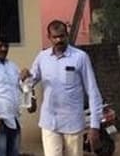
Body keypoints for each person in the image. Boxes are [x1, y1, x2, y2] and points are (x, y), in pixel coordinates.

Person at [21, 20, 103, 156]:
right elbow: (30, 82)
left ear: (67, 35)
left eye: (62, 36)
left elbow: (93, 91)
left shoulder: (80, 57)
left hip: (73, 123)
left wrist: (95, 126)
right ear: (49, 38)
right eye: (55, 37)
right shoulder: (43, 57)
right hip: (49, 122)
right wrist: (25, 78)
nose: (59, 40)